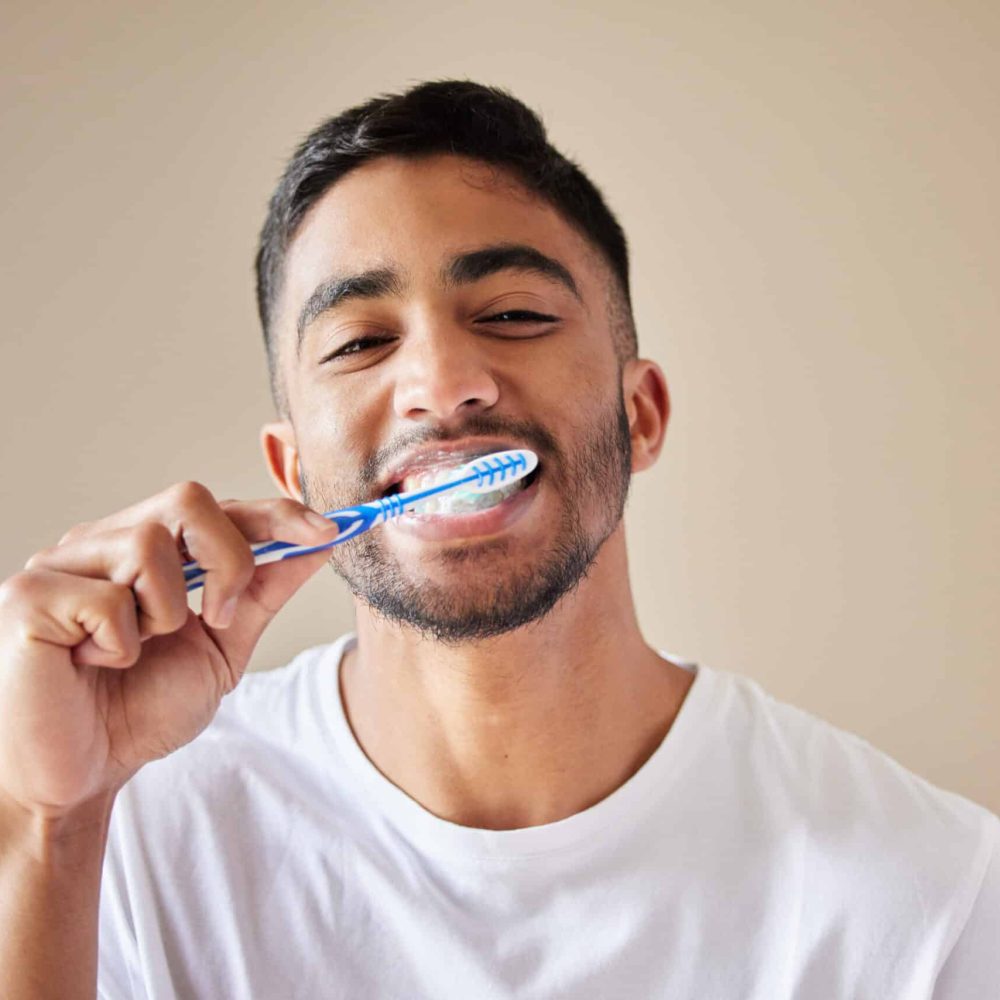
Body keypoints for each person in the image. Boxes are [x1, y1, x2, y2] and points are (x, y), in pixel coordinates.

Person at [0, 80, 996, 1000]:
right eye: (360, 341)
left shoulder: (931, 900)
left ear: (639, 413)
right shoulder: (118, 841)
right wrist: (51, 823)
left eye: (513, 313)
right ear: (292, 468)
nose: (442, 379)